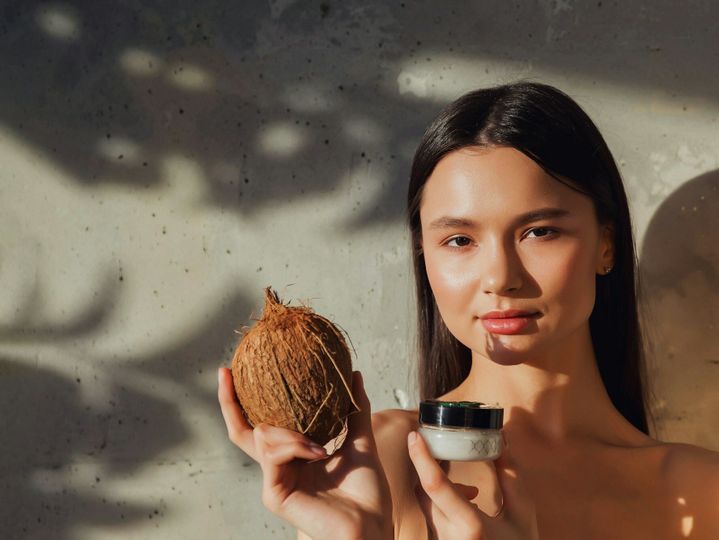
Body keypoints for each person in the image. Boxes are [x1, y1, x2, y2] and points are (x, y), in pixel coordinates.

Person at [217, 81, 719, 539]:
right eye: (459, 240)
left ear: (605, 244)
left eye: (539, 231)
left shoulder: (703, 493)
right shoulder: (380, 462)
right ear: (424, 256)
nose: (501, 277)